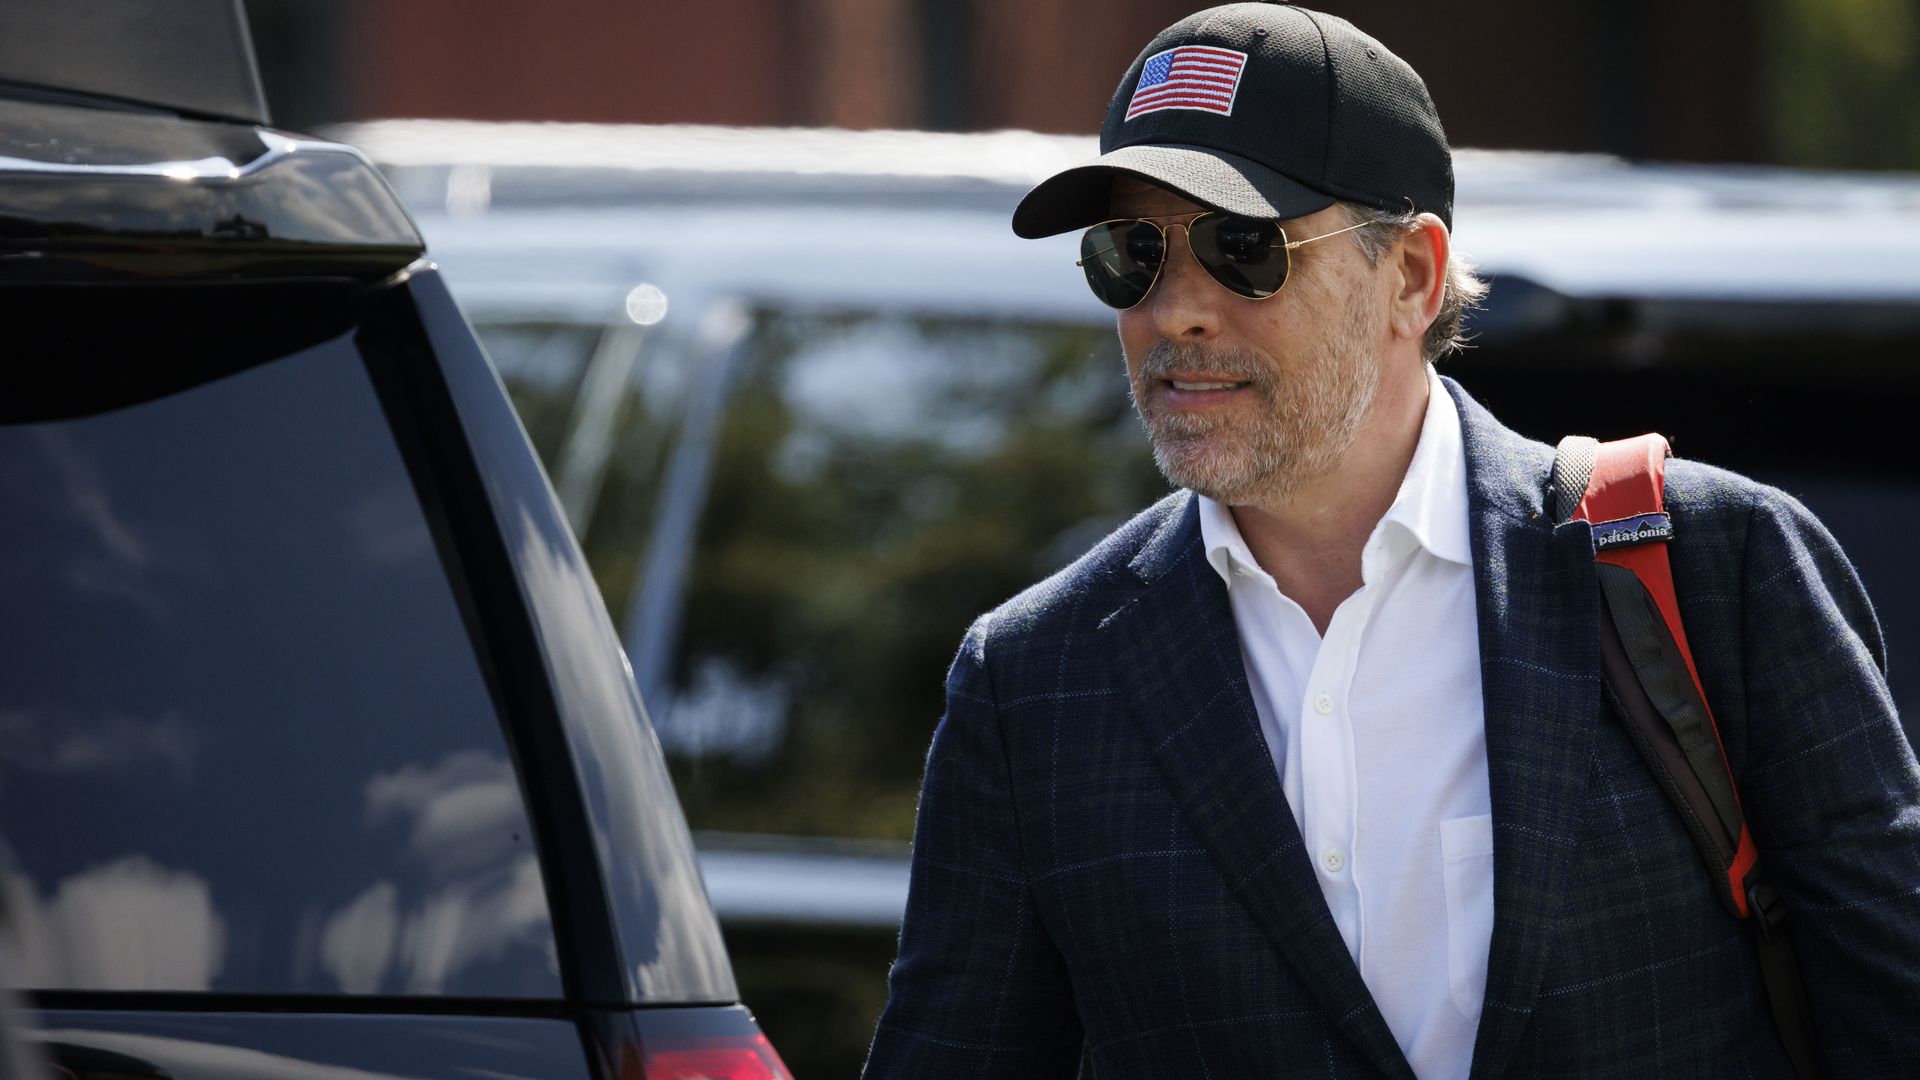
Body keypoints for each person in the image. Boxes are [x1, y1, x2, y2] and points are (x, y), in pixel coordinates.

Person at [861, 3, 1920, 1078]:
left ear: (1410, 276)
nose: (1174, 311)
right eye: (1133, 253)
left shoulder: (1715, 566)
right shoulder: (1034, 681)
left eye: (1245, 248)